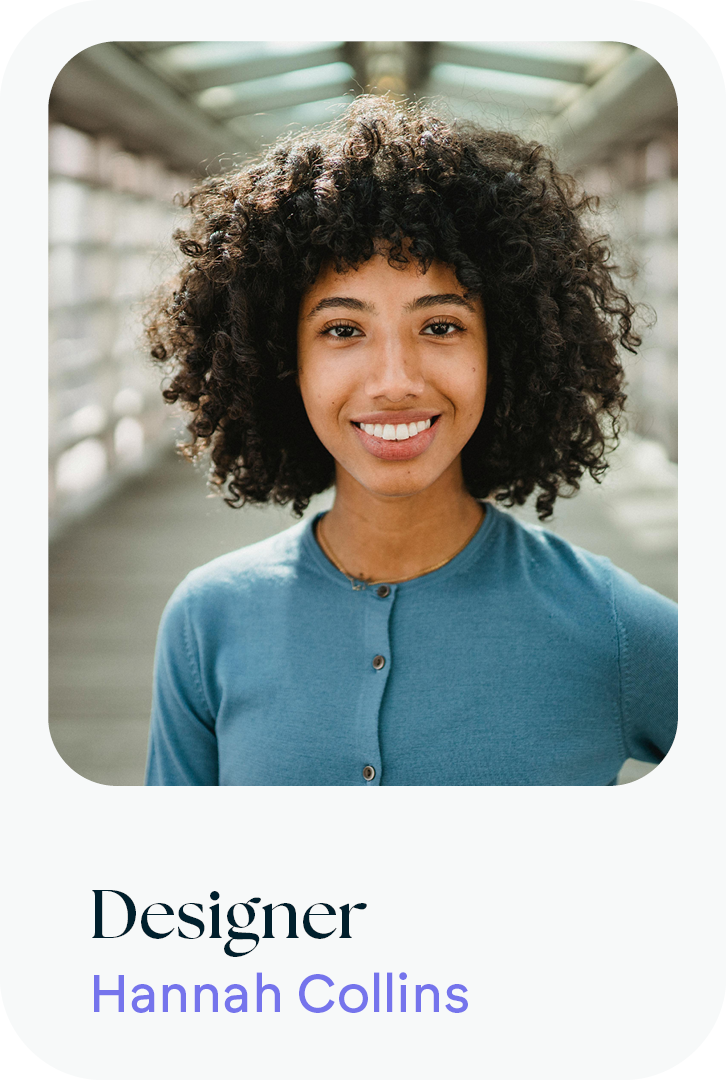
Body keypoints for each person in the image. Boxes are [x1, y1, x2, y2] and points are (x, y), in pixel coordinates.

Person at [144, 96, 677, 786]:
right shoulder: (207, 619)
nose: (394, 382)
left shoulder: (610, 626)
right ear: (282, 361)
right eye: (342, 330)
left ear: (505, 349)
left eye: (441, 326)